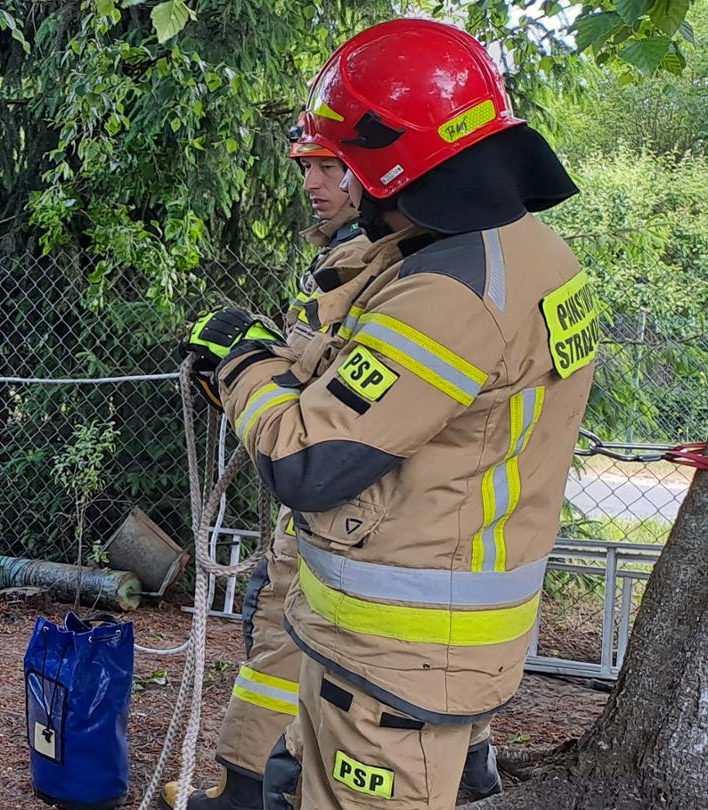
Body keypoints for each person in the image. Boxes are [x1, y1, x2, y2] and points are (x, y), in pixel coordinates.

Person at [184, 19, 592, 809]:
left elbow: (306, 462)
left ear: (385, 162)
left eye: (345, 162)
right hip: (405, 641)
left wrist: (241, 362)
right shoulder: (521, 250)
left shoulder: (449, 294)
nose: (329, 182)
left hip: (397, 661)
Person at [164, 119, 496, 810]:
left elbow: (329, 437)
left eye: (330, 166)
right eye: (305, 167)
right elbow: (333, 386)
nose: (312, 184)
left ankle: (247, 794)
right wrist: (240, 375)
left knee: (287, 638)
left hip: (359, 526)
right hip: (382, 533)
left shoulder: (404, 273)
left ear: (386, 171)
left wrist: (245, 366)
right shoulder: (379, 258)